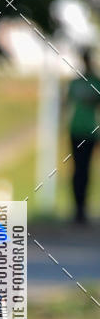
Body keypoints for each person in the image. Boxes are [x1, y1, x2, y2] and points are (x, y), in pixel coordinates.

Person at [66, 48, 100, 223]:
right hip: (75, 130)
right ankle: (77, 208)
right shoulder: (75, 83)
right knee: (77, 170)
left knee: (86, 170)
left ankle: (83, 207)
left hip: (90, 131)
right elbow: (67, 103)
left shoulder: (96, 82)